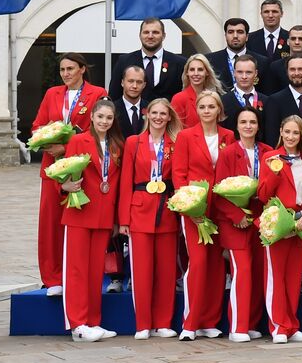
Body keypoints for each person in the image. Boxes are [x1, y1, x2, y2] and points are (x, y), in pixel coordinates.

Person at [30, 53, 108, 296]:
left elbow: (98, 128)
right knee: (50, 224)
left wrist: (66, 146)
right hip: (52, 168)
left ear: (82, 69)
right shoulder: (52, 94)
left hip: (82, 166)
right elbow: (37, 125)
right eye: (62, 69)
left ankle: (74, 274)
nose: (66, 73)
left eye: (71, 68)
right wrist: (47, 139)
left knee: (77, 222)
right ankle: (52, 278)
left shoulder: (97, 93)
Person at [118, 98, 182, 339]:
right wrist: (124, 219)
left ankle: (163, 322)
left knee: (166, 271)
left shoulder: (175, 143)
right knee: (142, 271)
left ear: (169, 117)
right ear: (147, 114)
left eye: (163, 114)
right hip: (139, 210)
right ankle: (143, 324)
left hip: (166, 210)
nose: (158, 117)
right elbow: (125, 181)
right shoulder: (133, 142)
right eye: (154, 113)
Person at [173, 90, 234, 340]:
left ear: (219, 110)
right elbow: (179, 174)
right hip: (195, 210)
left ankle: (209, 321)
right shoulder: (186, 136)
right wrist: (189, 206)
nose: (207, 111)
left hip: (220, 208)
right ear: (196, 110)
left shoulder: (228, 136)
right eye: (203, 107)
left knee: (217, 265)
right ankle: (191, 322)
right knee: (198, 263)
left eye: (211, 106)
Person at [60, 99, 122, 343]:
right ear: (92, 117)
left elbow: (116, 184)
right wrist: (64, 186)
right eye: (100, 117)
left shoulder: (117, 145)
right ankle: (77, 324)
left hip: (103, 215)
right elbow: (63, 172)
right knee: (76, 270)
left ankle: (93, 321)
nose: (104, 121)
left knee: (96, 271)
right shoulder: (78, 141)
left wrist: (116, 219)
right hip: (80, 212)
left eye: (109, 118)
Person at [256, 115, 302, 343]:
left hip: (300, 224)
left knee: (293, 277)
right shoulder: (270, 157)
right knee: (276, 276)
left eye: (295, 133)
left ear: (301, 136)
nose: (291, 137)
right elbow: (263, 195)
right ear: (281, 131)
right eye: (287, 131)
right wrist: (274, 171)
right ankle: (278, 326)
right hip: (278, 224)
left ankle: (292, 325)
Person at [214, 105, 269, 342]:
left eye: (252, 122)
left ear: (258, 126)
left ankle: (252, 323)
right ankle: (238, 326)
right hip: (234, 221)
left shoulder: (267, 152)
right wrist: (237, 216)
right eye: (243, 122)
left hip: (260, 219)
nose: (248, 126)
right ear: (236, 126)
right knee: (242, 271)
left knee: (257, 271)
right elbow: (218, 192)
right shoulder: (228, 153)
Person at [109, 18, 185, 102]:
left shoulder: (179, 63)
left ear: (163, 36)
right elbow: (114, 95)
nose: (150, 36)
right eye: (146, 32)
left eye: (155, 32)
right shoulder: (124, 61)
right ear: (140, 35)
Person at [264, 55, 302, 145]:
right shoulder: (274, 101)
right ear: (287, 72)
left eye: (300, 69)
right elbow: (271, 136)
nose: (296, 73)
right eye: (292, 69)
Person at [207, 18, 265, 92]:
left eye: (240, 32)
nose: (235, 36)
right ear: (225, 36)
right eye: (230, 32)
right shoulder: (210, 60)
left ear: (247, 37)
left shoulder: (262, 62)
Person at [171, 54, 223, 132]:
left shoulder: (214, 97)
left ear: (207, 72)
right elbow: (175, 131)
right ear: (187, 73)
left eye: (200, 69)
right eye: (192, 70)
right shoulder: (179, 98)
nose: (196, 73)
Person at [220, 54, 266, 134]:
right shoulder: (223, 102)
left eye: (248, 72)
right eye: (240, 72)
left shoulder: (267, 101)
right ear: (234, 73)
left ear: (256, 73)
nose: (244, 77)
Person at [266, 26, 302, 95]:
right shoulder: (275, 66)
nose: (297, 42)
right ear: (288, 41)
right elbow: (270, 93)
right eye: (293, 39)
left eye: (301, 39)